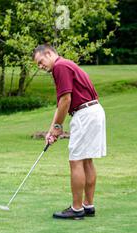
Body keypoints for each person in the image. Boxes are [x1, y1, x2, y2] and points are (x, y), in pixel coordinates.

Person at [32, 44, 106, 220]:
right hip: (93, 111)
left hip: (85, 114)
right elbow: (62, 104)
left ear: (49, 53)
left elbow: (65, 99)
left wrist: (57, 128)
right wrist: (53, 127)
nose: (41, 67)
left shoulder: (60, 66)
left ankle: (77, 208)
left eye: (41, 62)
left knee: (76, 161)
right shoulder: (66, 64)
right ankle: (88, 205)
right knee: (86, 160)